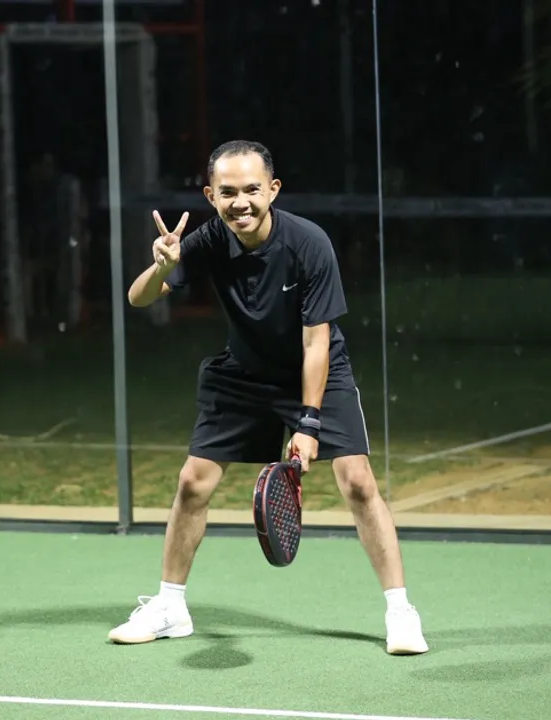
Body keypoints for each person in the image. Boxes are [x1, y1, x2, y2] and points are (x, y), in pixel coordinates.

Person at [109, 140, 429, 655]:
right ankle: (169, 608)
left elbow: (316, 342)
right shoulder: (209, 239)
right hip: (244, 372)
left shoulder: (309, 244)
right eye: (228, 192)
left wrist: (308, 422)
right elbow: (138, 297)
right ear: (211, 196)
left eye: (252, 190)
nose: (241, 202)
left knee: (357, 481)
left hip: (316, 368)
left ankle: (400, 612)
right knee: (192, 482)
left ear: (273, 190)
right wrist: (164, 266)